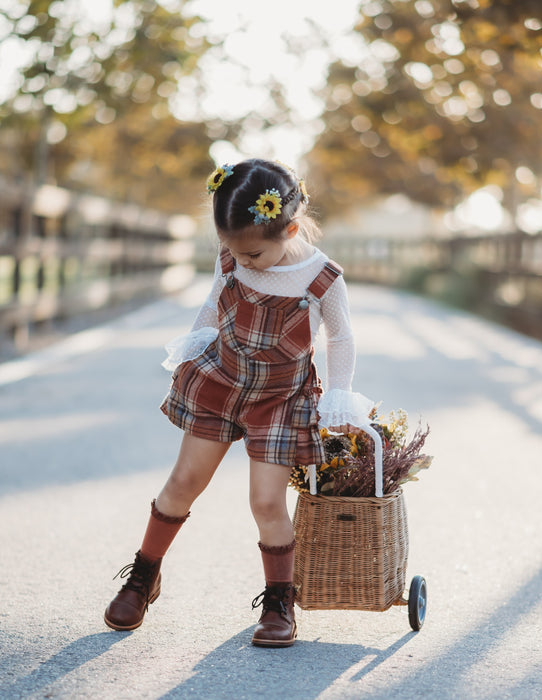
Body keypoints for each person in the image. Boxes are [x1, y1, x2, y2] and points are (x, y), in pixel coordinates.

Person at [104, 158, 373, 647]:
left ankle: (279, 601)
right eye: (231, 249)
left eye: (252, 253)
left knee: (266, 501)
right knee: (184, 481)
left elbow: (341, 339)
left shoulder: (322, 277)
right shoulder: (232, 257)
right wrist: (192, 344)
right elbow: (213, 302)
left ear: (288, 228)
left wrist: (338, 395)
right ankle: (144, 576)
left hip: (279, 399)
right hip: (223, 383)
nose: (241, 260)